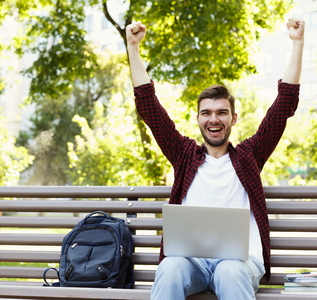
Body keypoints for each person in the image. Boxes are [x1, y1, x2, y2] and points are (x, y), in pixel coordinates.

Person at [126, 18, 305, 300]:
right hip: (191, 264)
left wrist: (297, 43)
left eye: (222, 112)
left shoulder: (250, 155)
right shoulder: (184, 155)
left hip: (239, 264)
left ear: (233, 118)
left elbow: (284, 105)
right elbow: (149, 107)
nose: (214, 119)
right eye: (206, 112)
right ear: (198, 119)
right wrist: (132, 47)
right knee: (170, 267)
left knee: (229, 272)